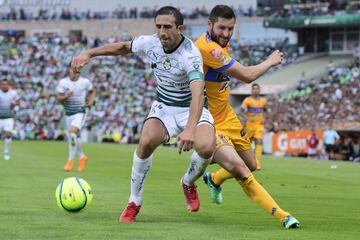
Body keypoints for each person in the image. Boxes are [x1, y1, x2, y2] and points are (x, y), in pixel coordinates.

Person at [71, 6, 216, 222]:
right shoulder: (151, 42)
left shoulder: (190, 54)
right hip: (164, 106)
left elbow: (197, 94)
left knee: (206, 147)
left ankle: (187, 182)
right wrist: (89, 53)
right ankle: (134, 201)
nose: (162, 32)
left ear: (180, 28)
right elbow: (122, 48)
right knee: (145, 142)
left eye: (167, 27)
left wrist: (190, 129)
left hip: (190, 109)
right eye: (158, 26)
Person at [195, 5, 299, 228]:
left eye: (230, 29)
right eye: (222, 28)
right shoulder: (207, 49)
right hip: (210, 122)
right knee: (239, 168)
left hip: (228, 116)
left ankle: (214, 179)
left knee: (251, 164)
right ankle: (283, 215)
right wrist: (270, 61)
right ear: (210, 25)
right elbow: (247, 76)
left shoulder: (220, 44)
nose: (226, 33)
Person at [57, 68, 96, 172]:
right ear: (69, 70)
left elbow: (92, 91)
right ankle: (82, 157)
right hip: (68, 113)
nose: (76, 73)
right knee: (74, 137)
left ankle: (70, 161)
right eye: (74, 71)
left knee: (72, 132)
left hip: (80, 112)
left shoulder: (85, 82)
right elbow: (59, 99)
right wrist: (67, 96)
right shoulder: (63, 82)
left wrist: (91, 101)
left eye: (78, 71)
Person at [239, 83, 267, 169]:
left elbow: (265, 110)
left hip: (259, 125)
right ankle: (244, 161)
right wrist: (246, 118)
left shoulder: (263, 101)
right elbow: (241, 111)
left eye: (257, 89)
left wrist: (264, 118)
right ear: (251, 90)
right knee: (247, 144)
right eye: (254, 89)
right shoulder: (247, 100)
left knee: (259, 141)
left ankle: (257, 163)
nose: (255, 90)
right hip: (249, 125)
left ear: (259, 90)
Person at [0, 79, 19, 160]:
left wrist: (14, 104)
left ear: (8, 85)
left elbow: (18, 102)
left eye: (6, 84)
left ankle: (6, 152)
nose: (4, 86)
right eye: (2, 84)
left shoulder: (13, 93)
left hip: (8, 117)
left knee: (8, 134)